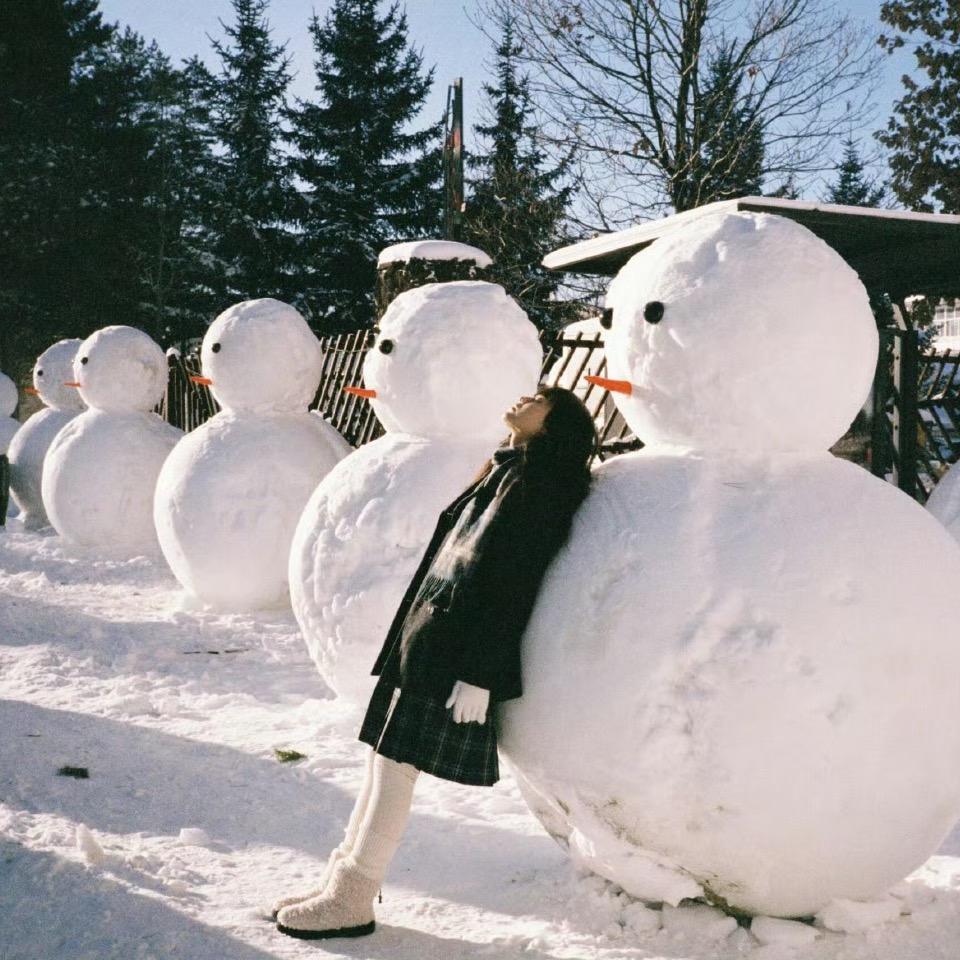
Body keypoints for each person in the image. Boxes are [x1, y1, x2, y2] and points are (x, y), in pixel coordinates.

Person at [273, 385, 598, 940]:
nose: (522, 397)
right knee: (383, 759)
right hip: (431, 635)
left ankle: (352, 897)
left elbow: (514, 581)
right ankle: (342, 881)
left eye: (539, 397)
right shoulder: (508, 468)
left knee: (397, 768)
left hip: (456, 650)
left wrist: (481, 673)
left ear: (555, 422)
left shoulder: (546, 483)